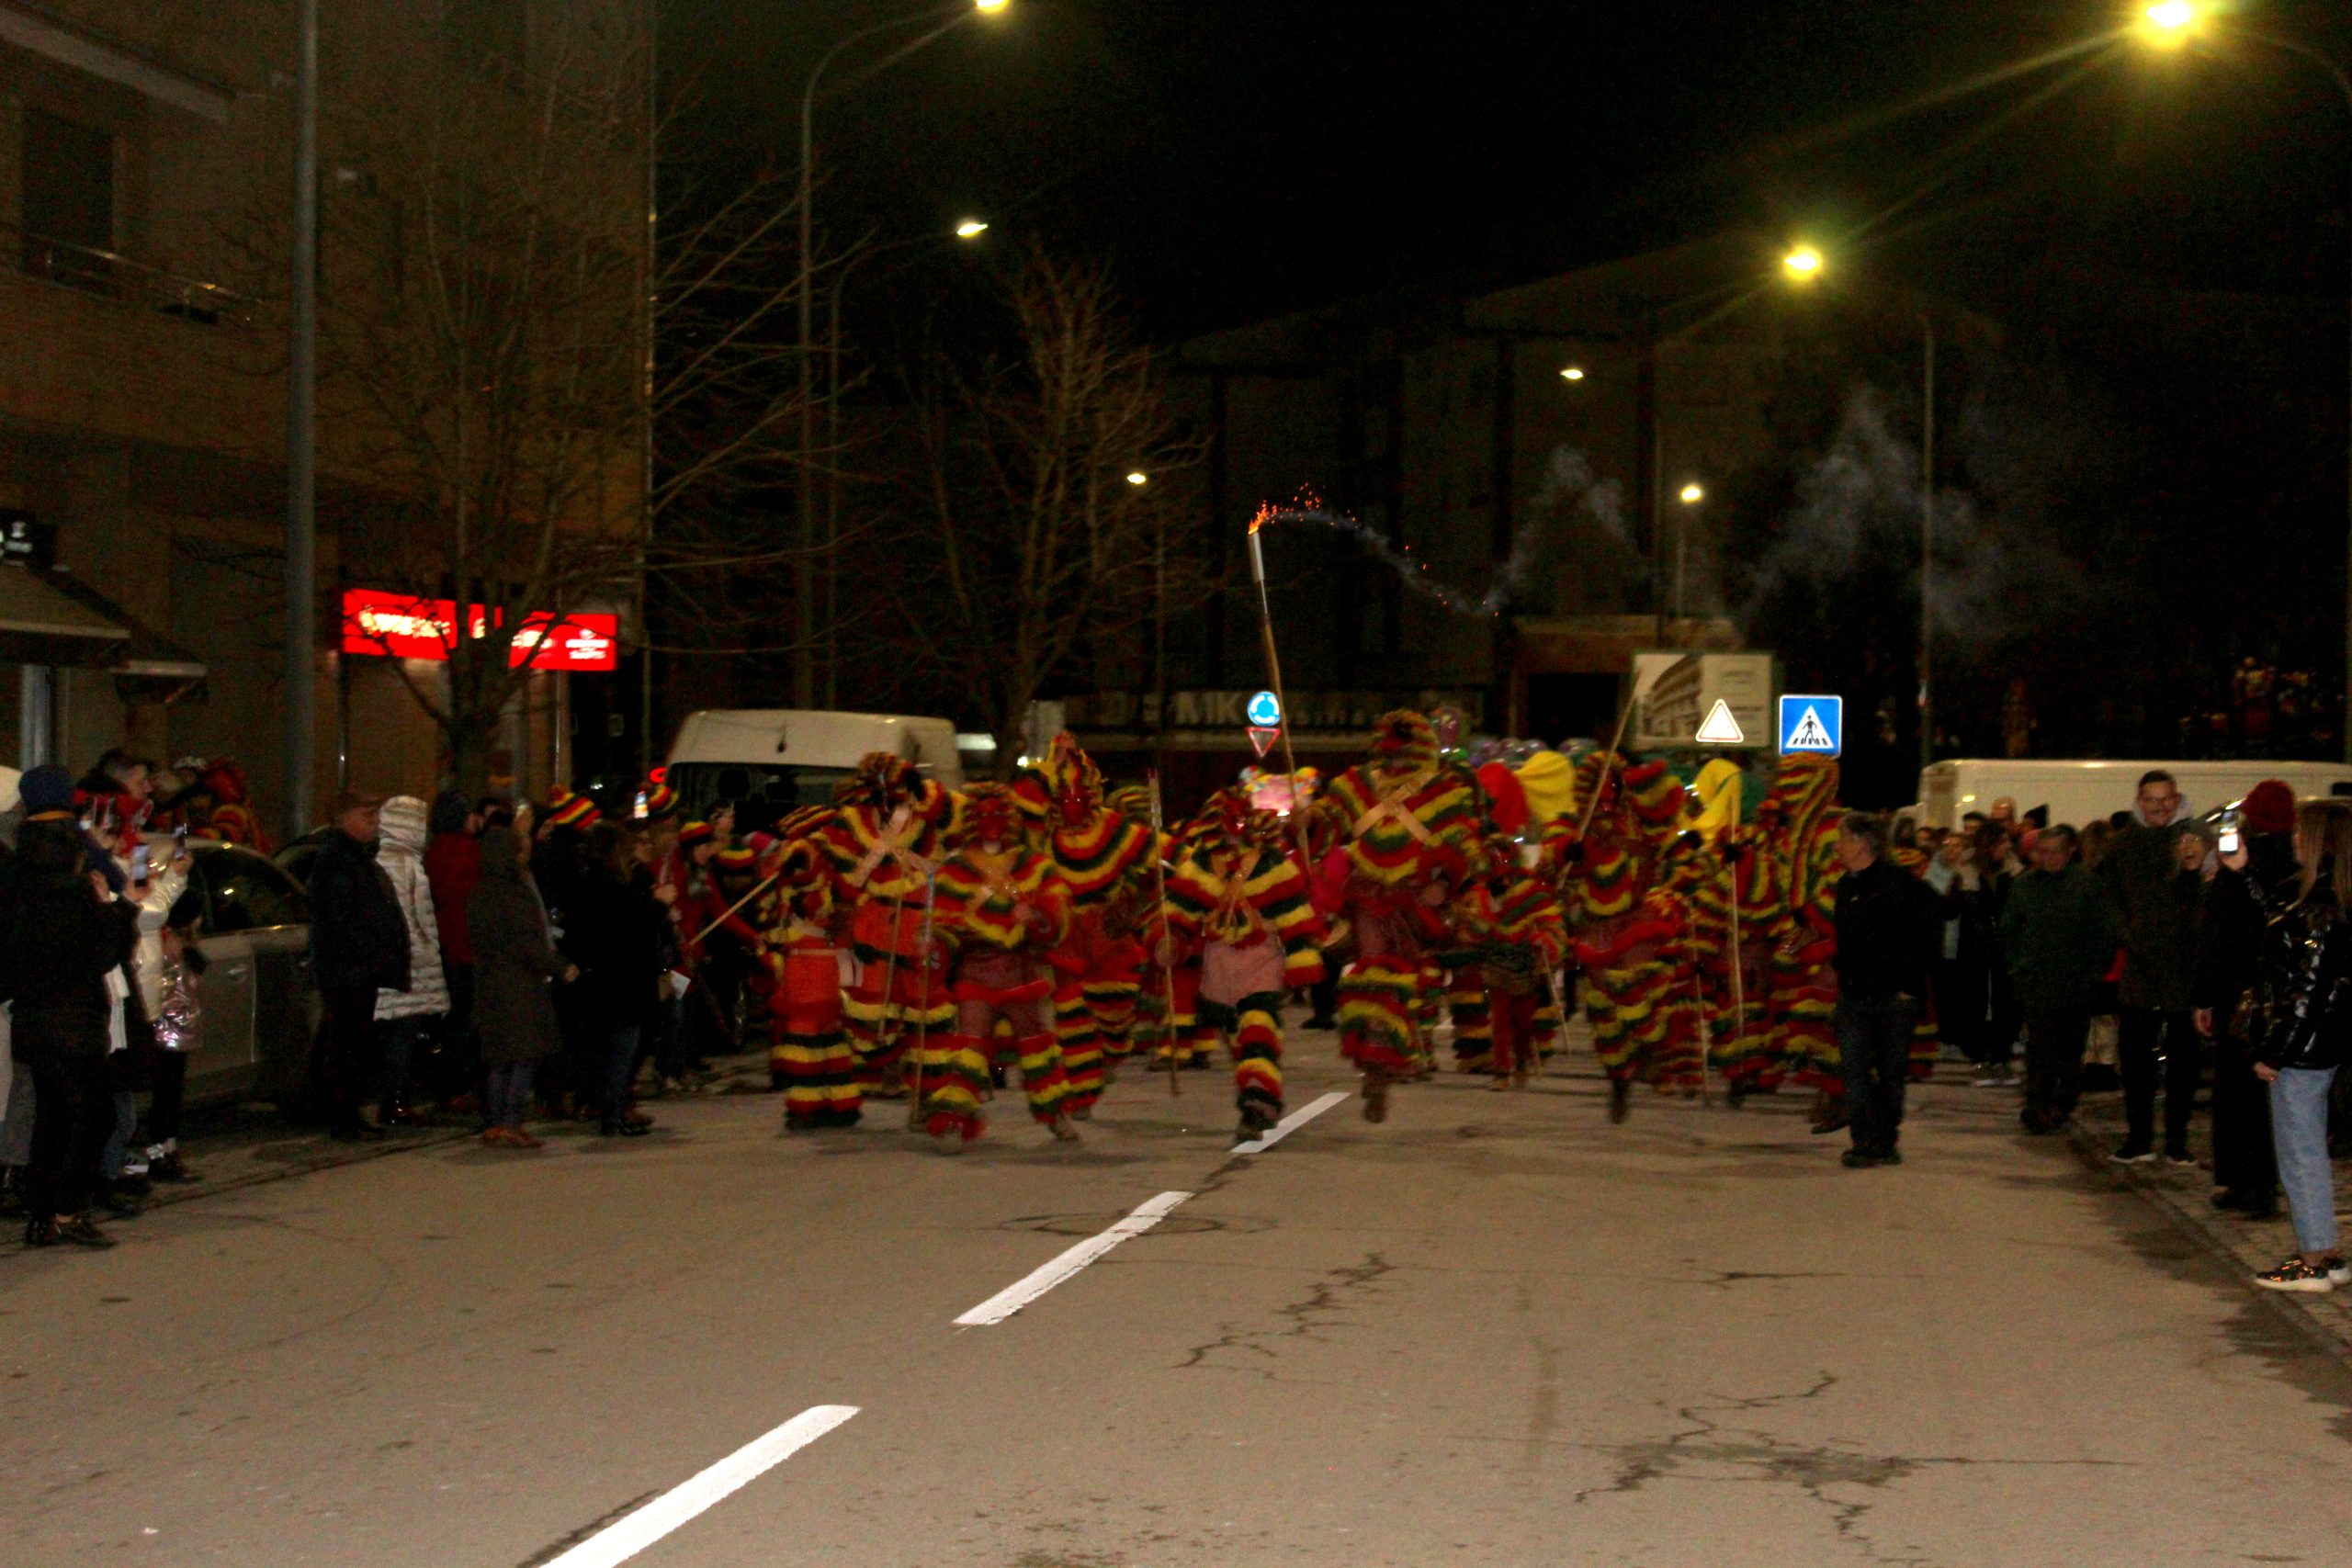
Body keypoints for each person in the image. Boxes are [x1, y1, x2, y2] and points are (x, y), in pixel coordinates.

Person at [12, 764, 140, 1247]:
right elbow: (103, 951)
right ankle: (66, 1211)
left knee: (52, 1117)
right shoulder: (76, 874)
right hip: (75, 1016)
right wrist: (114, 908)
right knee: (94, 1116)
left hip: (33, 1012)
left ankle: (42, 1214)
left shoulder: (16, 868)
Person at [1159, 785, 1330, 1141]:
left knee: (1258, 1029)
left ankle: (1257, 1104)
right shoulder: (1199, 866)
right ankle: (1260, 1095)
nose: (1233, 832)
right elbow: (1179, 915)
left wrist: (1300, 958)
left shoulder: (1272, 864)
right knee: (1239, 1041)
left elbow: (1295, 916)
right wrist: (1170, 942)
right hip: (1218, 965)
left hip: (1261, 961)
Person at [919, 783, 1078, 1151]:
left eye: (997, 814)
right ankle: (954, 1121)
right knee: (969, 1047)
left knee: (1037, 1047)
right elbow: (943, 924)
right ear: (971, 821)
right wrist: (933, 945)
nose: (990, 822)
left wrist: (1036, 917)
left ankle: (1057, 1113)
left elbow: (1058, 914)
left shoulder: (1033, 864)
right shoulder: (954, 869)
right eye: (983, 815)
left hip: (1021, 969)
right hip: (976, 970)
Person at [2240, 800, 2352, 1292]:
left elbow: (2307, 991)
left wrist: (2276, 1051)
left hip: (2306, 1047)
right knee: (2308, 1149)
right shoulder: (2330, 897)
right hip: (2324, 1041)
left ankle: (2312, 1259)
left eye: (2300, 833)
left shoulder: (2320, 907)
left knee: (2299, 1152)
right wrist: (2246, 875)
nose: (2292, 839)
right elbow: (2280, 919)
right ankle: (2325, 1252)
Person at [2194, 778, 2298, 1219]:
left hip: (2236, 991)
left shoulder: (2238, 866)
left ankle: (2238, 1179)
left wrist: (2203, 997)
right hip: (2280, 992)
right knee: (2269, 1094)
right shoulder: (2298, 866)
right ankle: (2263, 1184)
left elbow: (2214, 935)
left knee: (2234, 1088)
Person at [2098, 769, 2200, 1164]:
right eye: (2151, 800)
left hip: (2183, 967)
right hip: (2139, 966)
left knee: (2183, 1061)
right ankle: (2138, 1137)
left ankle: (2176, 1141)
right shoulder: (2124, 844)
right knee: (2135, 1058)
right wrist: (2127, 933)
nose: (2158, 807)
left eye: (2165, 799)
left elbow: (2205, 896)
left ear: (2176, 799)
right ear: (2140, 801)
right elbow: (2109, 898)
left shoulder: (2194, 836)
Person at [1828, 812, 1939, 1168]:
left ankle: (1885, 1140)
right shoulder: (1847, 885)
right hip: (1854, 995)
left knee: (1891, 1073)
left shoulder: (1901, 884)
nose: (1837, 846)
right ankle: (1863, 1141)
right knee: (1855, 1071)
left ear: (1862, 843)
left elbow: (1926, 934)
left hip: (1894, 997)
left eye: (1842, 839)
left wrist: (1910, 986)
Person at [1998, 825, 2121, 1134]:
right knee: (2039, 1049)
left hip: (2076, 985)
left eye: (2056, 851)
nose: (2050, 858)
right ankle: (2037, 1104)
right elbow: (2010, 931)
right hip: (2037, 983)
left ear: (2070, 852)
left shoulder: (2088, 885)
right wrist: (2019, 969)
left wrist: (2092, 974)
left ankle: (2061, 1103)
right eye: (2044, 852)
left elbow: (2104, 934)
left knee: (2069, 1051)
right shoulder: (2025, 886)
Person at [306, 792, 411, 1140]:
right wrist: (367, 951)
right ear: (345, 818)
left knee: (356, 1044)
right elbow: (340, 921)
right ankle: (343, 1116)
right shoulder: (336, 861)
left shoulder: (355, 858)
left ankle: (348, 1112)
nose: (375, 823)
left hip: (358, 969)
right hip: (348, 971)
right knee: (347, 1045)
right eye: (367, 816)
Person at [467, 825, 571, 1148]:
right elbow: (528, 944)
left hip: (489, 982)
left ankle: (495, 1122)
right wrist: (560, 966)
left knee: (499, 1058)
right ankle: (511, 1121)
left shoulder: (479, 893)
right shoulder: (515, 894)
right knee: (525, 1055)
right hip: (519, 984)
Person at [563, 820, 666, 1136]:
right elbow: (631, 927)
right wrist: (658, 905)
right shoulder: (610, 886)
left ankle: (613, 1108)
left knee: (614, 1050)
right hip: (622, 982)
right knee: (621, 1050)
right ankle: (614, 1112)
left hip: (606, 980)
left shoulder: (590, 881)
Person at [372, 795, 450, 1127]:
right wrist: (423, 957)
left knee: (401, 1035)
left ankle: (395, 1099)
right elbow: (413, 920)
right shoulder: (402, 866)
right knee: (401, 1036)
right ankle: (395, 1102)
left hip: (405, 967)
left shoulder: (395, 861)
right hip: (407, 968)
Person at [424, 793, 484, 1108]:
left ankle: (448, 1084)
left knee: (452, 1021)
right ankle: (461, 1085)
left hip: (445, 946)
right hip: (469, 947)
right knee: (466, 1021)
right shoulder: (468, 851)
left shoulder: (433, 853)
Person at [1925, 828, 1997, 1074]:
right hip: (1942, 943)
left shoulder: (1972, 875)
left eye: (1957, 845)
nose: (1952, 850)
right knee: (1944, 992)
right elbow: (1939, 907)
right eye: (1947, 845)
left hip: (1967, 945)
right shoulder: (1934, 874)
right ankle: (1947, 1037)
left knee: (1965, 993)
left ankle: (1966, 1040)